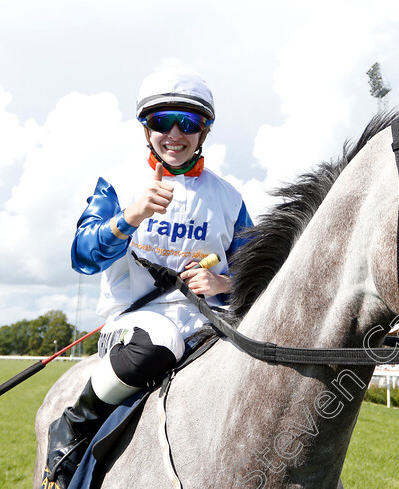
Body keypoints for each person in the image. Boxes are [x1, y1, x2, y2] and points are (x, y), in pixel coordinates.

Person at [43, 70, 253, 488]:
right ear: (146, 128)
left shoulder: (230, 198)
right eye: (162, 122)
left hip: (211, 320)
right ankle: (72, 427)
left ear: (204, 131)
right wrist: (130, 217)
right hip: (136, 323)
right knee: (159, 343)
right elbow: (82, 256)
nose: (175, 134)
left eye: (189, 123)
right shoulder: (118, 185)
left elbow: (258, 272)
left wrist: (223, 285)